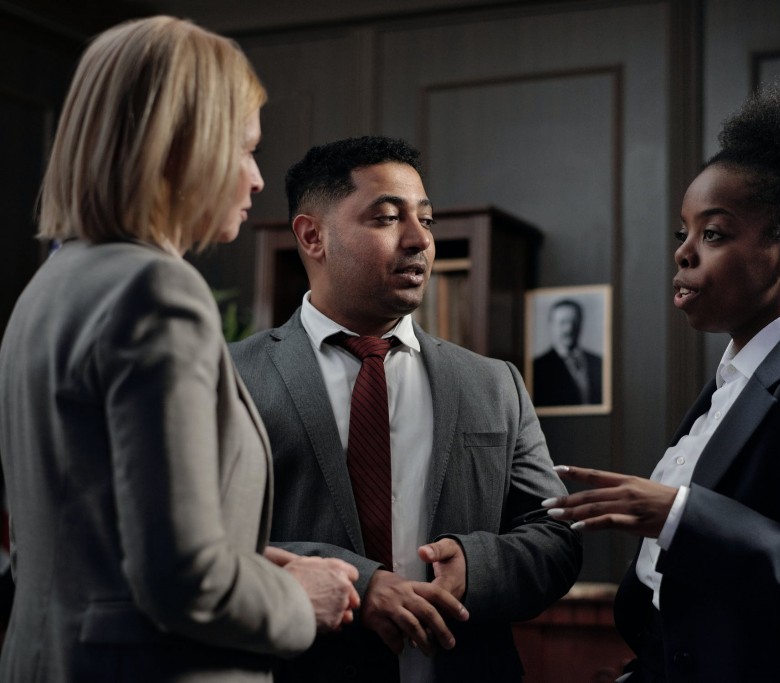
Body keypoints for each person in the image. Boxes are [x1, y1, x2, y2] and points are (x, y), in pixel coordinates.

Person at [0, 16, 360, 682]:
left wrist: (248, 559)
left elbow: (79, 538)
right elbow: (181, 579)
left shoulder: (48, 288)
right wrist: (299, 596)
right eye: (246, 148)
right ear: (178, 146)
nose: (257, 179)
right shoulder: (158, 291)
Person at [542, 75, 780, 682]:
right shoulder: (730, 382)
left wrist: (680, 515)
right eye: (683, 233)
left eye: (713, 233)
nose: (683, 253)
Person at [229, 135, 583, 683]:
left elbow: (556, 537)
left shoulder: (494, 383)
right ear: (312, 235)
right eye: (388, 218)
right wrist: (357, 582)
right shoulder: (228, 378)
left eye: (427, 219)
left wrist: (475, 566)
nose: (419, 240)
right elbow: (202, 543)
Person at [532, 298, 603, 406]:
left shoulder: (598, 362)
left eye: (574, 322)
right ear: (551, 325)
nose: (569, 329)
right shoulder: (537, 367)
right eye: (562, 322)